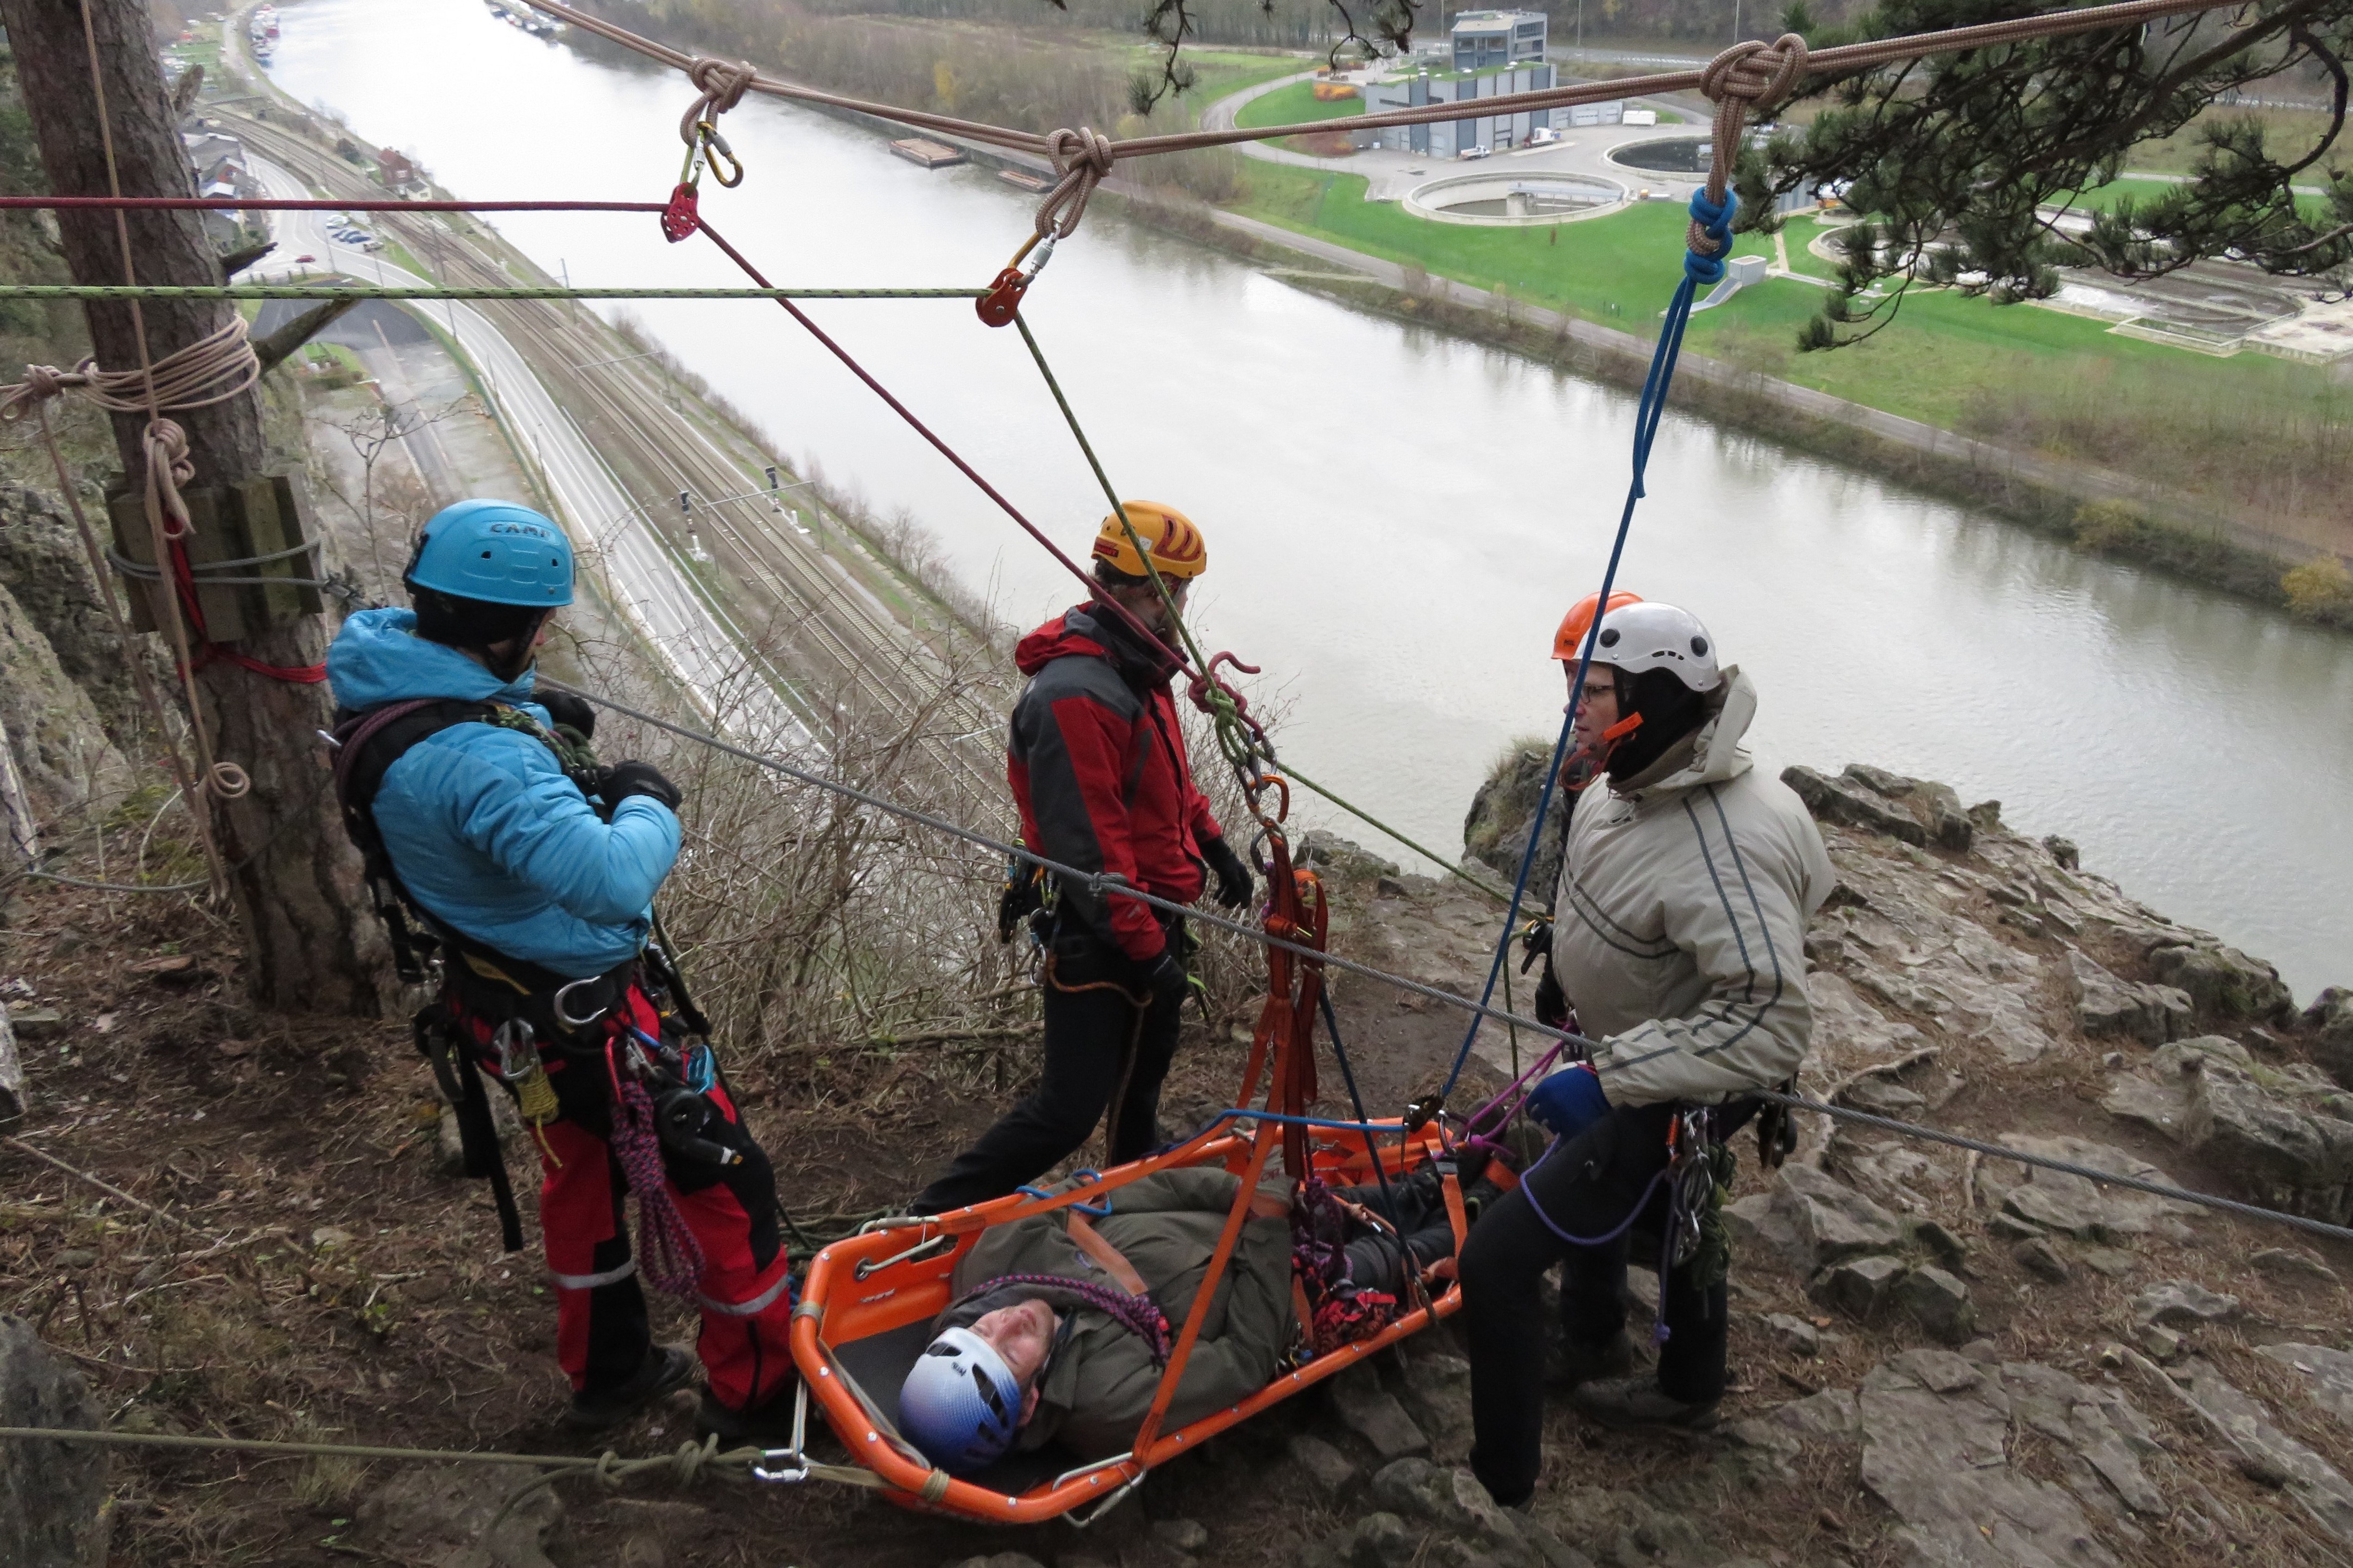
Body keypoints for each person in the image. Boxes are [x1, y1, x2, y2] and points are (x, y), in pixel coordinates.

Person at [326, 499, 798, 1439]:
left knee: (580, 1179)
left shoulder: (382, 676)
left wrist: (529, 715)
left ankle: (609, 1370)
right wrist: (646, 798)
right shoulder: (482, 761)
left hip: (506, 1008)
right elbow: (611, 879)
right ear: (510, 628)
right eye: (538, 625)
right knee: (725, 1181)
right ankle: (760, 1395)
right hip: (592, 1020)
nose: (543, 639)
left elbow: (466, 750)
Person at [1459, 598, 1832, 1506]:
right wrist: (1567, 963)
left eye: (1593, 691)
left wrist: (1616, 1078)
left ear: (1652, 700)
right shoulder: (1632, 778)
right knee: (1668, 1209)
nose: (1573, 708)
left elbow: (1770, 1018)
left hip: (1677, 1079)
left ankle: (1502, 1487)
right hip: (1638, 1048)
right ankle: (1637, 1360)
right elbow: (1615, 888)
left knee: (1495, 1262)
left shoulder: (1722, 839)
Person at [911, 503, 1253, 1215]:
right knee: (1067, 1110)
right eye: (1181, 592)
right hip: (1100, 930)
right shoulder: (1077, 693)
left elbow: (1163, 782)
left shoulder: (1133, 669)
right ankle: (926, 1218)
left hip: (1151, 913)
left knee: (1140, 1085)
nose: (1184, 610)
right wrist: (1149, 953)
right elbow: (1092, 853)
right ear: (1155, 591)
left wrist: (1213, 843)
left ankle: (1133, 1194)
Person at [897, 1167, 1463, 1471]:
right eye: (1009, 1354)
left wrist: (1239, 1194)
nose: (1009, 1323)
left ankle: (1443, 1177)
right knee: (1420, 1245)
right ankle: (1480, 1211)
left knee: (1395, 1196)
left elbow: (1108, 1195)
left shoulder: (996, 1259)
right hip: (1289, 1284)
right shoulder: (1110, 1403)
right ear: (1029, 1406)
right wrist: (1266, 1231)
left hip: (1240, 1213)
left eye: (982, 1331)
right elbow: (1245, 1357)